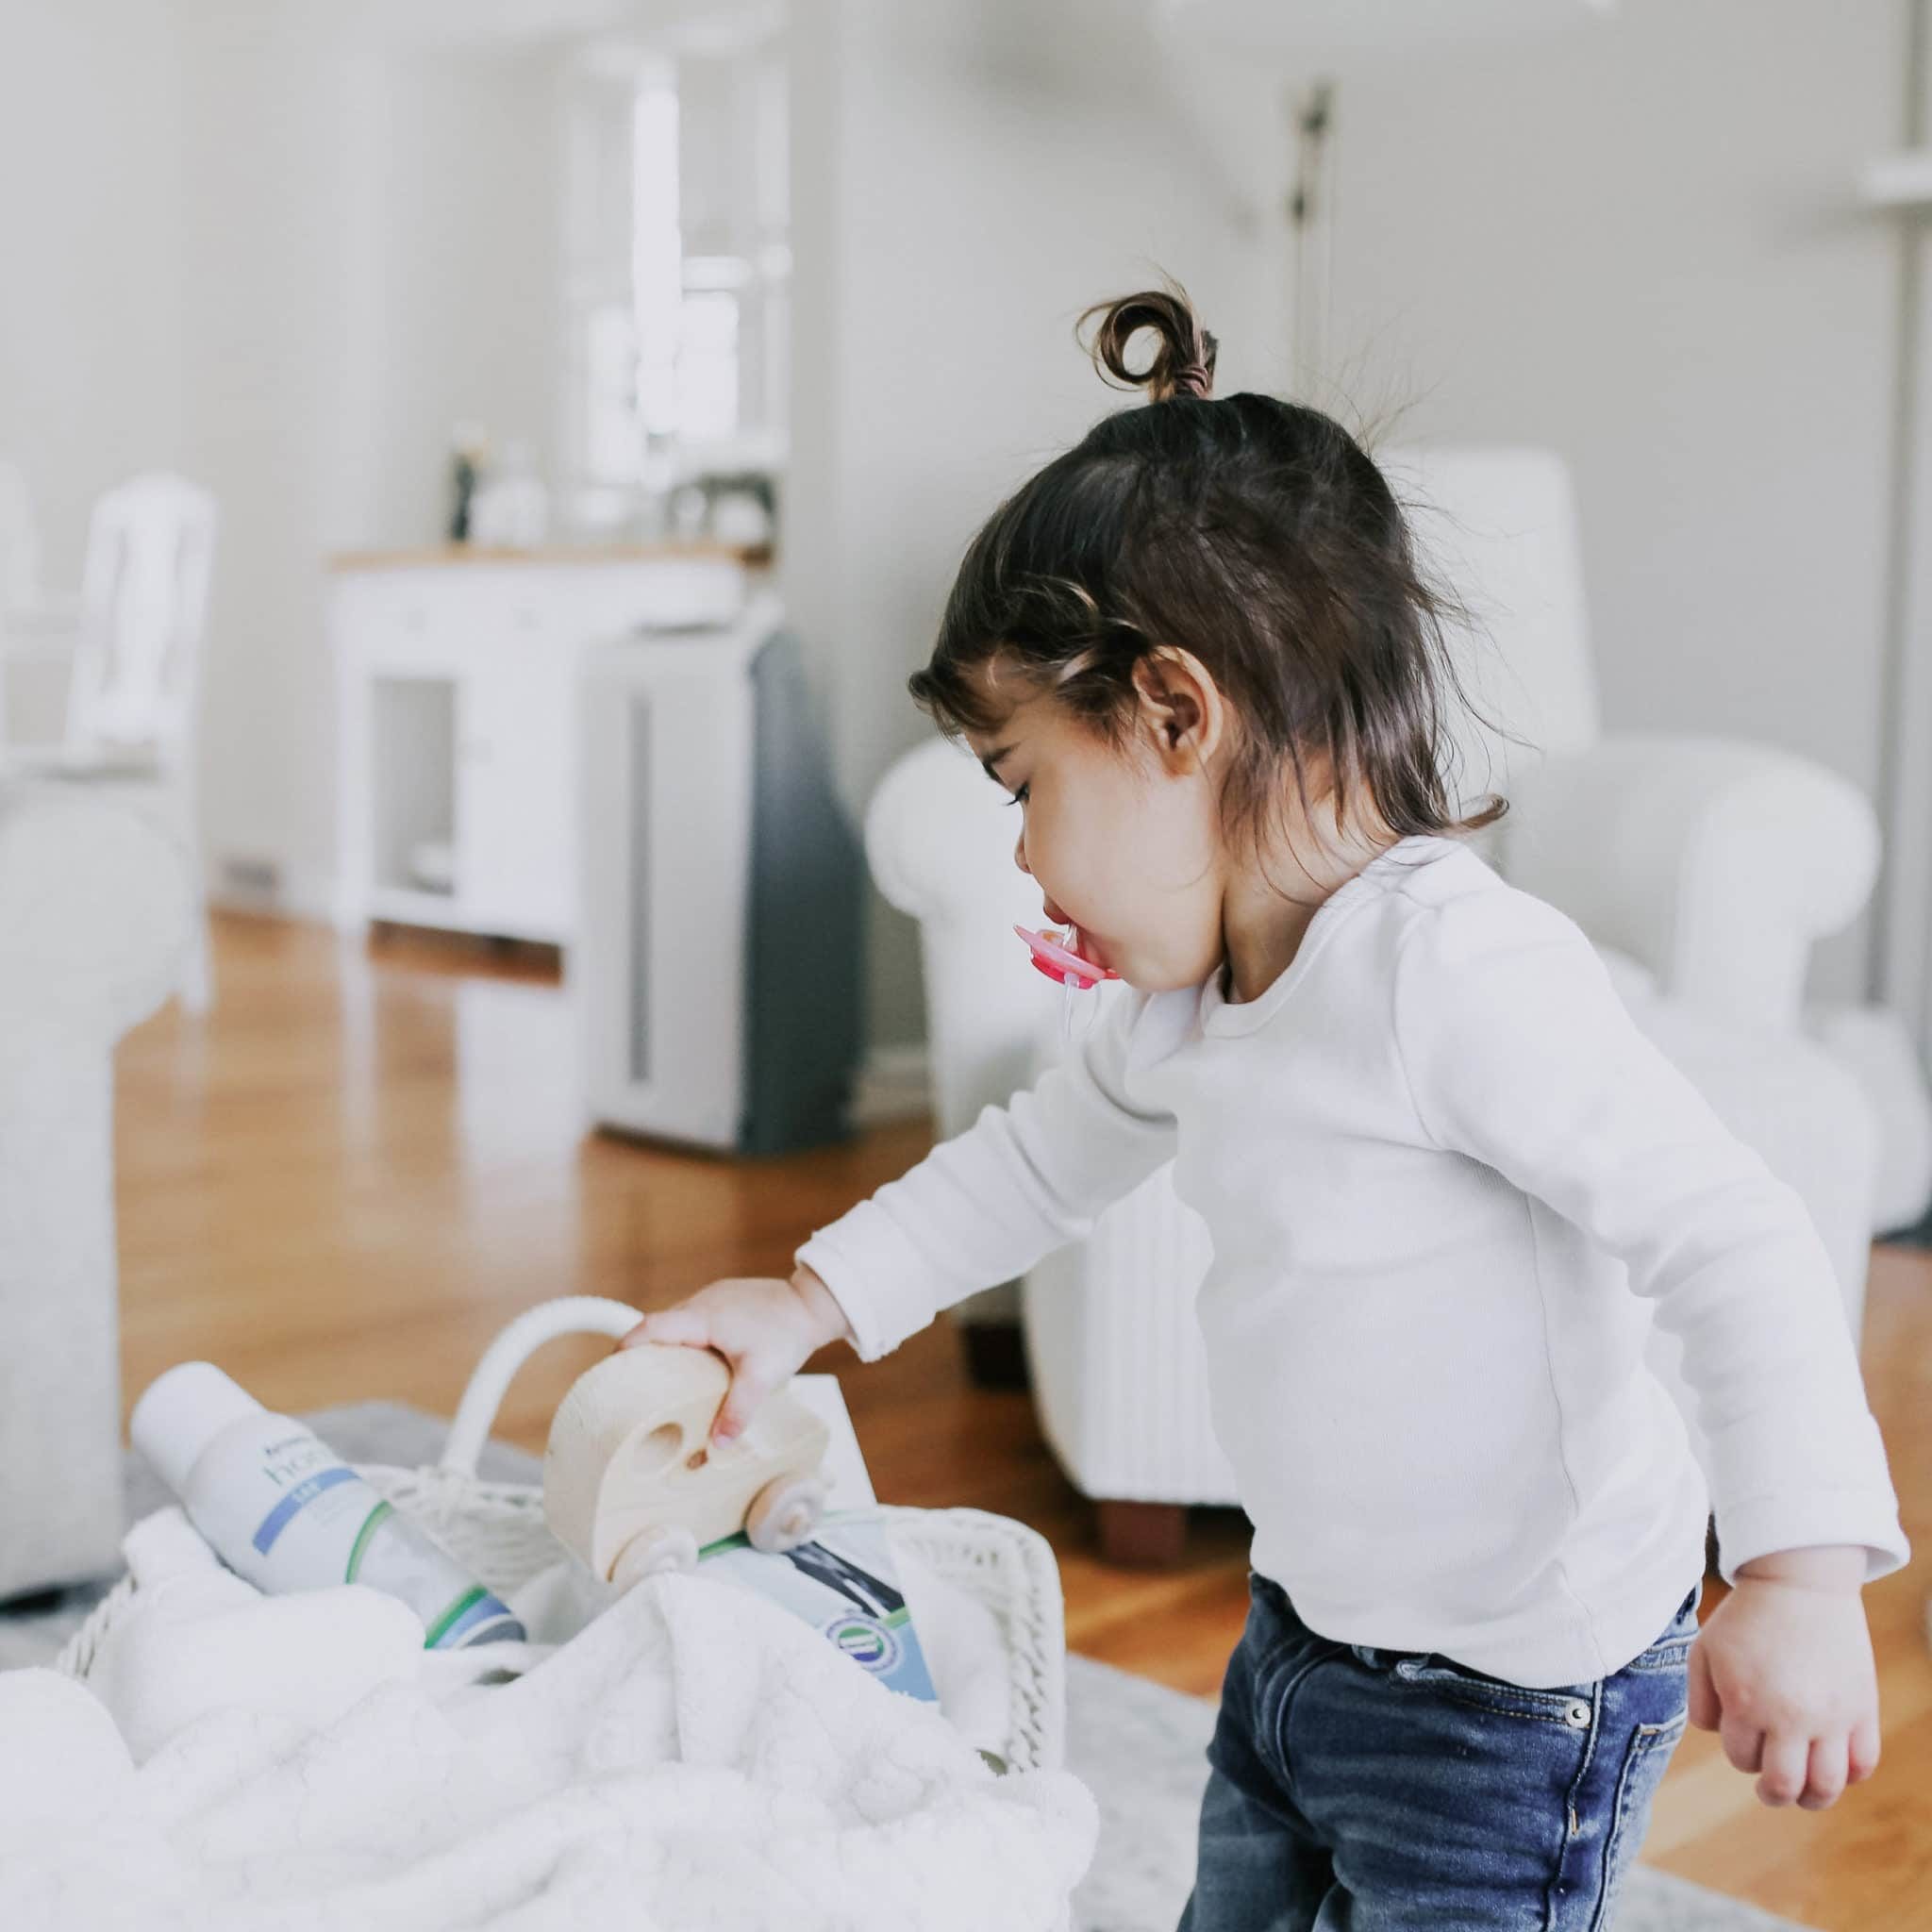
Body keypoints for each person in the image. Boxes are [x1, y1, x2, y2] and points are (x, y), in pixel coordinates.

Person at [621, 284, 1909, 1928]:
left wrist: (1797, 1573)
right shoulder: (1184, 1004)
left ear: (1175, 712)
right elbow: (1031, 1166)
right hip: (1304, 1634)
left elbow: (1730, 1237)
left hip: (1515, 1699)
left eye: (1026, 788)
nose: (1020, 853)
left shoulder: (1451, 970)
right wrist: (808, 1301)